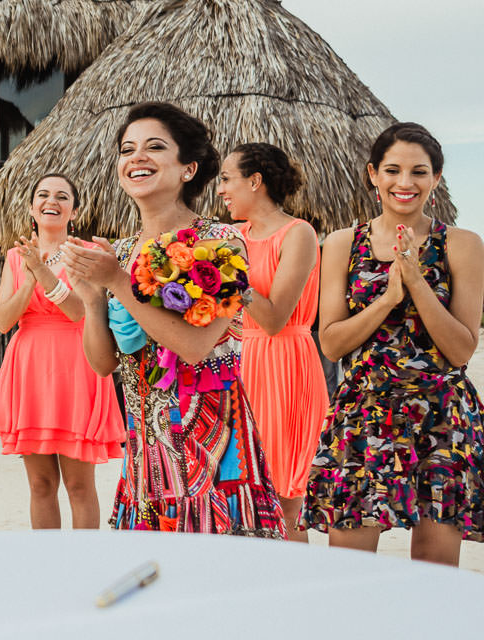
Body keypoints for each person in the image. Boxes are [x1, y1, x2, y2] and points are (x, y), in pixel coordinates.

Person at [62, 102, 285, 537]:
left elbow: (194, 347)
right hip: (145, 445)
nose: (137, 157)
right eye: (127, 149)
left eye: (155, 147)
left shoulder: (221, 241)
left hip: (211, 439)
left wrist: (117, 281)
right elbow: (104, 364)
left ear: (188, 169)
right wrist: (92, 298)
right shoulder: (120, 251)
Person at [302, 122, 484, 566]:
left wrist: (417, 283)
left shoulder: (461, 244)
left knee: (434, 573)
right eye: (393, 170)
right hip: (363, 414)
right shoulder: (343, 243)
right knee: (349, 569)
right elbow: (331, 343)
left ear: (435, 178)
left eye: (419, 172)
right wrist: (387, 298)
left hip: (441, 418)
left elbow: (461, 350)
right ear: (373, 174)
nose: (406, 182)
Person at [0, 173, 125, 529]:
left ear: (74, 210)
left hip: (78, 363)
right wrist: (29, 278)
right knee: (40, 484)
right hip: (30, 368)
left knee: (79, 485)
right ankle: (47, 557)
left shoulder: (85, 254)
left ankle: (83, 556)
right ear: (32, 208)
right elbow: (3, 321)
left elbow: (78, 312)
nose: (51, 202)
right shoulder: (17, 256)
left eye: (62, 196)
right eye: (43, 195)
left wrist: (42, 271)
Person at [216, 142, 327, 542]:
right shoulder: (232, 236)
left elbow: (275, 318)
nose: (220, 190)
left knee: (283, 499)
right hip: (235, 362)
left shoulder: (298, 234)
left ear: (255, 181)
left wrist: (227, 275)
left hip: (284, 364)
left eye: (226, 179)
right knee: (235, 494)